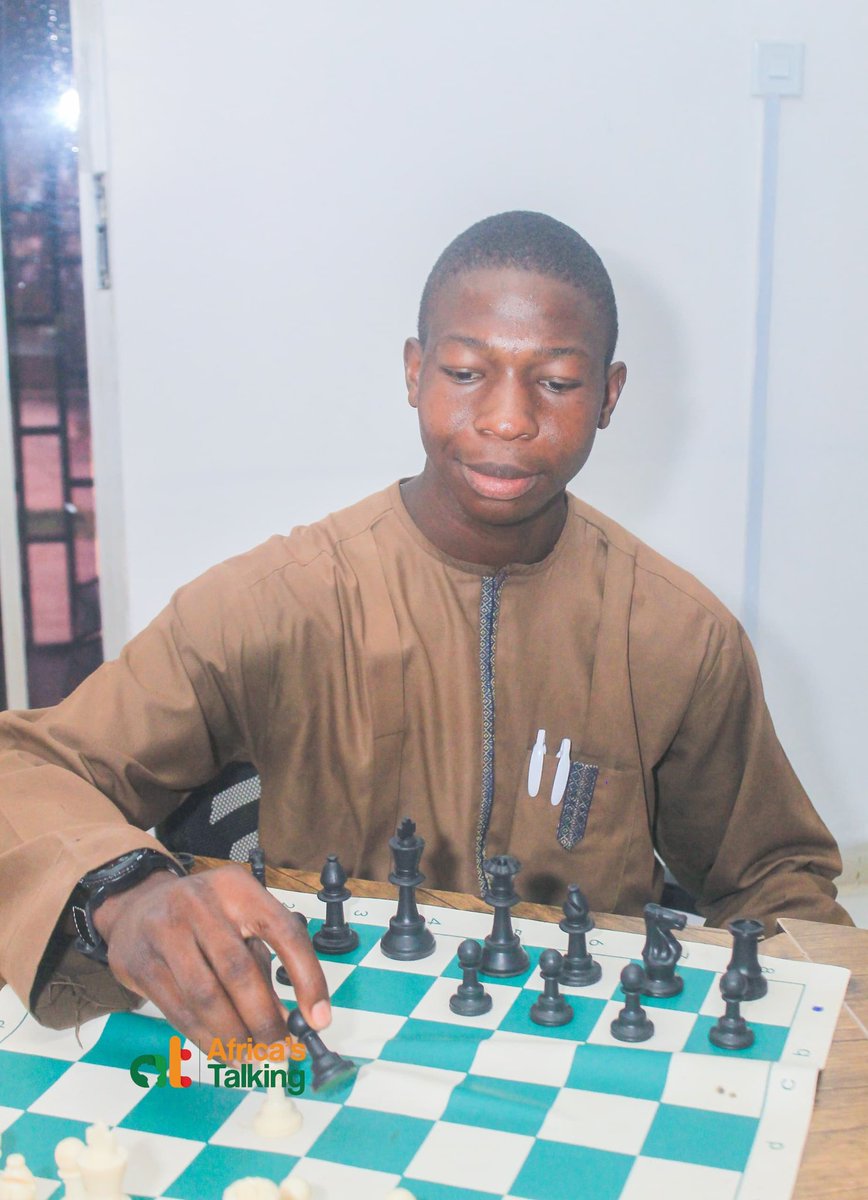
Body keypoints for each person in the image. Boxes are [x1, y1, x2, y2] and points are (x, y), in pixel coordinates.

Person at [0, 211, 851, 1051]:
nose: (508, 418)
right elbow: (28, 766)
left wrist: (806, 1045)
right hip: (321, 1033)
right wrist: (121, 887)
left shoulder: (676, 634)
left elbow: (776, 878)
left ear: (608, 396)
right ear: (414, 373)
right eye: (465, 372)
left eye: (555, 381)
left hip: (578, 1055)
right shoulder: (276, 602)